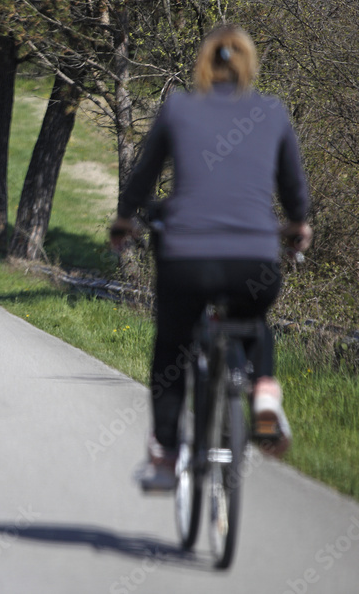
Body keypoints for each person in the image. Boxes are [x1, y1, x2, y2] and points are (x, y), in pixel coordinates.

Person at [110, 25, 312, 491]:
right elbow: (293, 188)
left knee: (172, 346)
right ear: (250, 64)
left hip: (187, 260)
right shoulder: (271, 111)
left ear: (203, 63)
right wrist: (298, 224)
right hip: (254, 260)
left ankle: (165, 458)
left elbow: (142, 177)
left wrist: (124, 220)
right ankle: (265, 393)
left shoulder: (179, 107)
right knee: (252, 319)